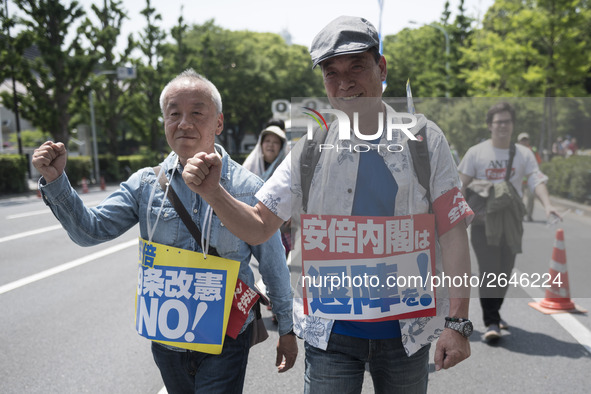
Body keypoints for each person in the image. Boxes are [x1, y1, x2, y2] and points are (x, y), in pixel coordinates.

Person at [181, 16, 473, 393]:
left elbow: (452, 232)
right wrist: (213, 192)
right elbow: (259, 224)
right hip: (331, 334)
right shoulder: (311, 148)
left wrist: (458, 323)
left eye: (357, 66)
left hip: (408, 333)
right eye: (331, 72)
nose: (345, 82)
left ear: (381, 68)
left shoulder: (423, 139)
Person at [31, 69, 297, 393]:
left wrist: (287, 328)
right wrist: (57, 182)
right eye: (174, 114)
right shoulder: (146, 184)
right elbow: (90, 231)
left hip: (226, 338)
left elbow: (273, 265)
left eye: (197, 112)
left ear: (219, 123)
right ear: (164, 121)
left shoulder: (248, 188)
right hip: (167, 339)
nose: (184, 123)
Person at [458, 102, 560, 343]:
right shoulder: (476, 152)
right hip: (484, 221)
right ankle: (491, 321)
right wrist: (456, 216)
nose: (502, 126)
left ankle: (495, 312)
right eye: (498, 122)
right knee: (489, 270)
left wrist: (548, 206)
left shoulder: (523, 154)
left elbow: (536, 180)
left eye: (507, 122)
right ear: (490, 125)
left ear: (513, 125)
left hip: (511, 221)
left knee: (504, 270)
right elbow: (460, 185)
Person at [517, 132, 542, 221]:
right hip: (519, 179)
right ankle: (519, 214)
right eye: (522, 140)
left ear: (528, 141)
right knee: (518, 198)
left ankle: (529, 215)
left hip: (530, 179)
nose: (524, 142)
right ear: (519, 141)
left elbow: (538, 162)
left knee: (531, 198)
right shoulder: (516, 151)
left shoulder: (533, 150)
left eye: (526, 140)